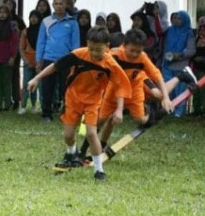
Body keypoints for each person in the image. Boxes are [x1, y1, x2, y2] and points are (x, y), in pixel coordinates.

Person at [28, 26, 131, 180]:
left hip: (93, 102)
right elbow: (55, 66)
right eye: (91, 49)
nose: (95, 53)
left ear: (107, 47)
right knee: (68, 135)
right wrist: (37, 78)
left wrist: (119, 110)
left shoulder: (111, 64)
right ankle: (71, 153)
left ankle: (98, 170)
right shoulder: (78, 55)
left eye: (99, 50)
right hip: (73, 99)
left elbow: (121, 86)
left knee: (91, 133)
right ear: (86, 44)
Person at [94, 29, 197, 157]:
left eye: (138, 51)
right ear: (123, 45)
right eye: (132, 51)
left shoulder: (141, 57)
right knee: (106, 118)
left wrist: (165, 97)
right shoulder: (112, 55)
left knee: (158, 95)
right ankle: (102, 144)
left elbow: (156, 75)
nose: (134, 54)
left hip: (140, 81)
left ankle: (181, 76)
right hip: (120, 88)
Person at [36, 0, 79, 121]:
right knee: (47, 87)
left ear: (65, 5)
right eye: (56, 4)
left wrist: (74, 60)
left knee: (66, 88)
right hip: (49, 58)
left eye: (61, 4)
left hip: (66, 59)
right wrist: (39, 60)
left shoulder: (72, 22)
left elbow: (75, 43)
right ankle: (46, 114)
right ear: (53, 5)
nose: (59, 6)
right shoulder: (46, 21)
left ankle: (66, 113)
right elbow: (41, 42)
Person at [162, 10, 196, 117]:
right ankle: (169, 110)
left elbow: (191, 50)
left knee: (180, 88)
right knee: (168, 88)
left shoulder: (188, 32)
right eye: (175, 18)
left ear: (185, 20)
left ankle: (179, 112)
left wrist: (180, 55)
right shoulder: (170, 30)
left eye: (180, 18)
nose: (176, 20)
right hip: (167, 64)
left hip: (180, 64)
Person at [0, 4, 18, 111]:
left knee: (6, 82)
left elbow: (15, 43)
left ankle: (7, 104)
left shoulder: (12, 26)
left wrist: (13, 57)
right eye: (0, 12)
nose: (2, 15)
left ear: (8, 14)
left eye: (4, 12)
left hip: (7, 57)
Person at [19, 11, 42, 114]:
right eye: (31, 17)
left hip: (39, 63)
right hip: (28, 63)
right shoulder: (25, 32)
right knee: (26, 84)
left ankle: (33, 106)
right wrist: (26, 61)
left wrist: (40, 62)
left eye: (35, 17)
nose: (33, 19)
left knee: (37, 85)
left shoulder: (43, 31)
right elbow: (21, 48)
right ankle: (23, 105)